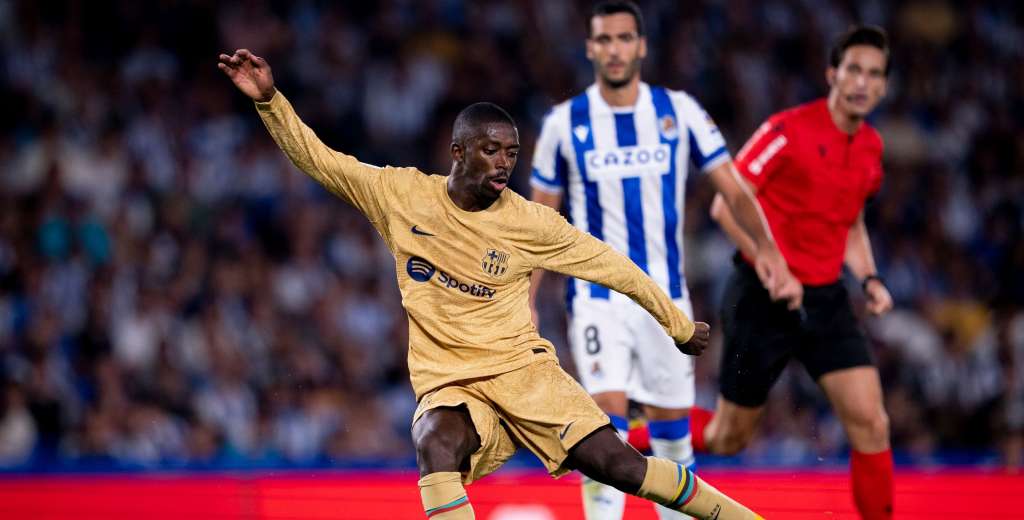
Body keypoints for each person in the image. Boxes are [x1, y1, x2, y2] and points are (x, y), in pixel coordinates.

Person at [217, 49, 762, 519]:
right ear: (457, 151)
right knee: (434, 441)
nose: (504, 164)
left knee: (619, 467)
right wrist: (270, 101)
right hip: (452, 382)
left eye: (511, 154)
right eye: (490, 150)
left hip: (524, 373)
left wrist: (677, 324)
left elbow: (611, 266)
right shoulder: (401, 195)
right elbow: (321, 161)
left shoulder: (529, 223)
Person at [528, 3, 799, 519]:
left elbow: (735, 190)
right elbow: (539, 221)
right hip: (596, 300)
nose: (614, 49)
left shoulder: (680, 112)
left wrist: (769, 251)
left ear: (641, 45)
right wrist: (527, 300)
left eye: (624, 38)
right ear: (590, 48)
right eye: (604, 40)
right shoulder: (565, 124)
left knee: (673, 438)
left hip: (665, 300)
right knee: (602, 431)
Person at [693, 25, 896, 520]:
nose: (862, 83)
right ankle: (628, 433)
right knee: (727, 437)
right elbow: (725, 206)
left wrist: (868, 278)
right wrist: (770, 262)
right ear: (833, 74)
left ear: (884, 85)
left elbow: (850, 222)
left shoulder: (871, 148)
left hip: (825, 300)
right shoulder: (787, 130)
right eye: (853, 70)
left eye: (874, 74)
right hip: (761, 298)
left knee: (872, 424)